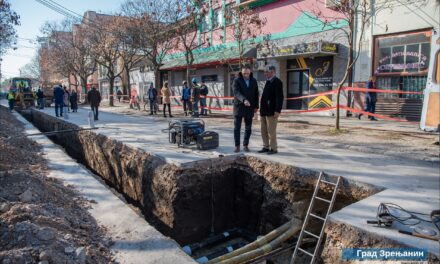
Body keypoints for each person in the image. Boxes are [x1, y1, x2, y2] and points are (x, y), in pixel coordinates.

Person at [232, 66, 259, 153]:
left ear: (250, 72)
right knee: (237, 128)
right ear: (241, 72)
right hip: (239, 107)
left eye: (247, 73)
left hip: (250, 107)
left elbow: (256, 94)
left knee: (248, 128)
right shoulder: (237, 80)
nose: (246, 75)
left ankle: (245, 145)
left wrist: (256, 106)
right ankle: (237, 146)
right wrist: (244, 100)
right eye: (244, 73)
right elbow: (236, 92)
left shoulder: (254, 81)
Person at [258, 65, 284, 155]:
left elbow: (279, 97)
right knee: (263, 130)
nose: (265, 74)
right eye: (265, 72)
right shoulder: (268, 81)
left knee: (271, 131)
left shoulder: (277, 82)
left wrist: (277, 110)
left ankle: (273, 148)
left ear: (272, 72)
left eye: (266, 72)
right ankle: (266, 146)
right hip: (264, 111)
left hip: (272, 111)